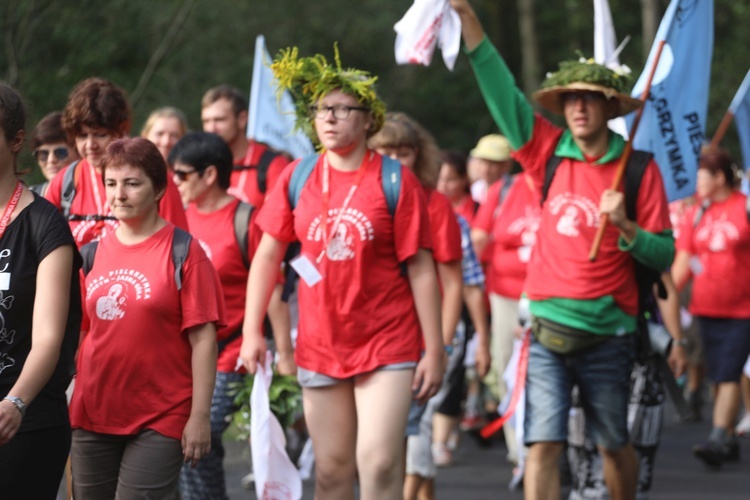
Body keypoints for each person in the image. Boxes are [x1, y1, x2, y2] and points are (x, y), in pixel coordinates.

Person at [449, 2, 674, 498]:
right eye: (570, 97)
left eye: (590, 98)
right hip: (547, 332)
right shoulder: (547, 152)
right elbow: (500, 91)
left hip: (611, 335)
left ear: (610, 106)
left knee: (613, 443)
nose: (577, 106)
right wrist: (468, 20)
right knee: (541, 446)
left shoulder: (638, 170)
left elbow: (664, 256)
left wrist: (626, 227)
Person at [240, 46, 444, 500]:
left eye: (341, 109)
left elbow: (422, 269)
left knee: (379, 462)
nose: (328, 118)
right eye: (320, 109)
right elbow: (268, 256)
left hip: (388, 342)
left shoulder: (394, 180)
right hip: (321, 342)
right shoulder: (297, 176)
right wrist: (252, 330)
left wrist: (435, 349)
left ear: (368, 119)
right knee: (331, 471)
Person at [68, 137, 224, 498]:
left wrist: (199, 416)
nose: (118, 194)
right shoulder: (89, 255)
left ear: (158, 189)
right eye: (111, 183)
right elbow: (80, 334)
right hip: (92, 413)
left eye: (131, 183)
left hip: (161, 414)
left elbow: (203, 340)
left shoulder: (184, 251)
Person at [169, 131, 289, 499]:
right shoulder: (176, 220)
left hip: (231, 353)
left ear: (209, 175)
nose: (175, 182)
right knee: (181, 443)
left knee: (199, 439)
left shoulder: (246, 220)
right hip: (181, 355)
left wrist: (284, 351)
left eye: (182, 174)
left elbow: (273, 288)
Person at [369, 112, 464, 500]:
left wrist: (440, 346)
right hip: (364, 336)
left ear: (418, 155)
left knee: (402, 437)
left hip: (416, 341)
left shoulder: (434, 203)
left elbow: (453, 282)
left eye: (403, 152)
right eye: (385, 150)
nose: (394, 159)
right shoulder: (356, 196)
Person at [0, 83, 81, 499]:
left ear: (16, 142)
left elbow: (48, 336)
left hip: (26, 419)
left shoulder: (46, 226)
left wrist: (16, 402)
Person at [672, 148, 750, 467]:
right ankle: (729, 437)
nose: (695, 182)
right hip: (706, 309)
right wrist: (663, 296)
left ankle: (718, 436)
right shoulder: (697, 213)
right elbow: (683, 261)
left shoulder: (744, 207)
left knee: (729, 372)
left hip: (743, 311)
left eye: (701, 176)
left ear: (719, 178)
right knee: (717, 375)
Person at [45, 77, 188, 247]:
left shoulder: (152, 174)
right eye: (82, 136)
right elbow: (43, 246)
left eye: (100, 134)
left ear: (122, 129)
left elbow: (178, 248)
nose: (91, 145)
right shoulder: (65, 182)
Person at [471, 151, 541, 468]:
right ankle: (518, 452)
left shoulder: (557, 185)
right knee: (505, 368)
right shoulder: (505, 188)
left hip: (548, 296)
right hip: (505, 296)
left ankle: (543, 445)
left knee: (543, 371)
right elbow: (479, 238)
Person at [200, 85, 290, 208]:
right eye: (206, 121)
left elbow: (275, 223)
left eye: (220, 120)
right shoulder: (201, 165)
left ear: (242, 119)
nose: (211, 128)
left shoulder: (272, 164)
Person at [28, 111, 80, 196]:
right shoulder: (29, 199)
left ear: (80, 153)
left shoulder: (97, 194)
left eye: (61, 152)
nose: (51, 160)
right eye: (43, 154)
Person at [467, 133, 513, 204]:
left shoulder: (512, 191)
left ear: (506, 165)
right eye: (483, 162)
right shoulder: (476, 189)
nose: (486, 169)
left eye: (493, 163)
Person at [438, 149, 479, 225]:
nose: (443, 184)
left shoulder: (478, 209)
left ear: (464, 179)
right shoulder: (431, 209)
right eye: (439, 179)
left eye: (450, 179)